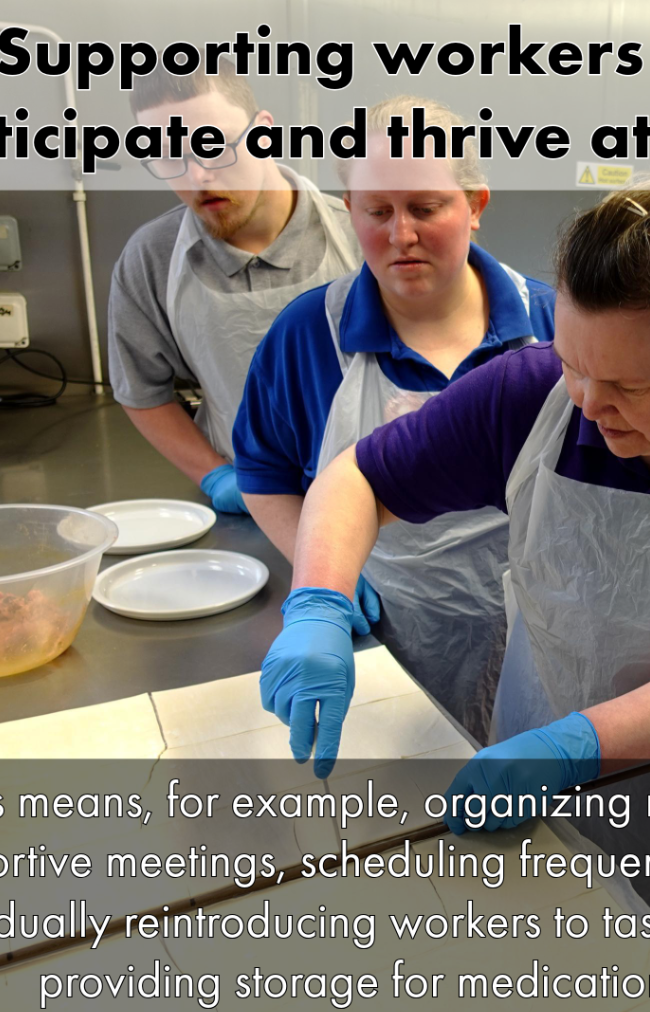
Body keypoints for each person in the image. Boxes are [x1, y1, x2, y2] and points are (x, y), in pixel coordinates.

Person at [258, 184, 650, 1012]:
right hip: (553, 716)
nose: (588, 403)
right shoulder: (532, 393)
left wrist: (580, 744)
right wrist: (317, 603)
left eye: (629, 387)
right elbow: (356, 479)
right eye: (575, 364)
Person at [233, 96, 555, 740]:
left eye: (425, 208)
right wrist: (322, 588)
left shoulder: (552, 332)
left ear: (476, 206)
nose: (400, 235)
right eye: (376, 211)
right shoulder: (309, 335)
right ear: (349, 211)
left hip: (538, 645)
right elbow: (265, 475)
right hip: (373, 645)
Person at [107, 60, 360, 514]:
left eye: (215, 146)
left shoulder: (362, 237)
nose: (198, 176)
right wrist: (214, 474)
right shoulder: (152, 259)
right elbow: (141, 390)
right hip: (247, 498)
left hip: (375, 491)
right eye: (169, 156)